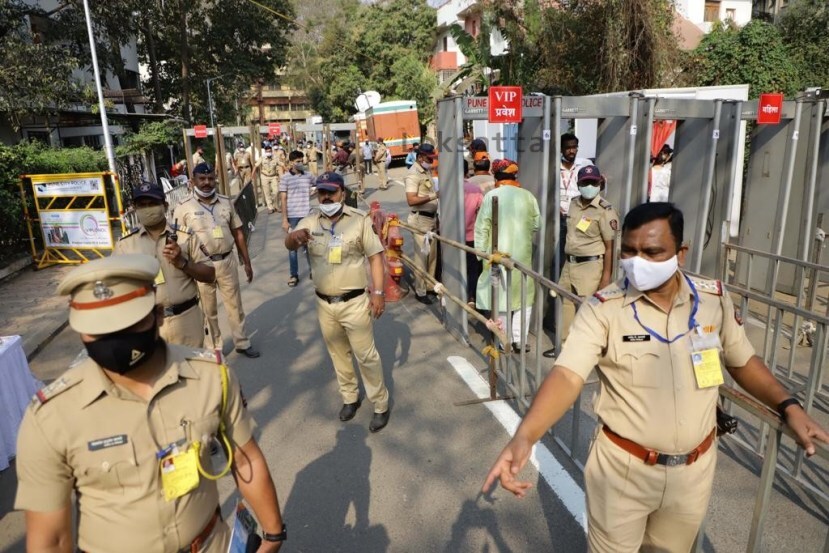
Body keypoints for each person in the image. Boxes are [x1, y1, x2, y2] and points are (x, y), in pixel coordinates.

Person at [484, 202, 829, 553]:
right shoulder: (604, 309)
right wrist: (526, 436)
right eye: (629, 251)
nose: (637, 262)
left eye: (652, 252)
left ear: (681, 253)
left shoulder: (712, 301)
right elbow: (567, 376)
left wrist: (789, 406)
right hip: (623, 471)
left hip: (694, 472)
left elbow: (742, 362)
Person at [15, 254, 286, 553]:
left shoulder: (211, 377)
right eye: (99, 329)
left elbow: (245, 457)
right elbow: (50, 540)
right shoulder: (51, 416)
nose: (114, 339)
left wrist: (273, 535)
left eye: (127, 323)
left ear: (157, 315)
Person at [284, 172, 391, 432]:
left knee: (366, 356)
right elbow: (288, 243)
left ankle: (380, 405)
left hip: (355, 302)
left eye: (331, 192)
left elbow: (376, 257)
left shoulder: (358, 220)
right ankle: (350, 398)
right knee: (338, 354)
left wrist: (378, 293)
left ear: (342, 193)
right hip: (324, 304)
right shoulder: (310, 220)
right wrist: (294, 239)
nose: (326, 197)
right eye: (322, 192)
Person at [114, 181, 215, 348]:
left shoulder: (185, 237)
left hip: (187, 320)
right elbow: (116, 289)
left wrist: (182, 263)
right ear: (135, 209)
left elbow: (210, 275)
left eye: (153, 203)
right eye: (142, 205)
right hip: (148, 325)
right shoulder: (125, 245)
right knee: (157, 373)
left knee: (190, 371)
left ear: (165, 205)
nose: (148, 209)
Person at [174, 163, 260, 358]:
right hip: (201, 265)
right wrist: (186, 269)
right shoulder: (183, 207)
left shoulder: (225, 202)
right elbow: (179, 241)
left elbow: (238, 232)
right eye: (202, 179)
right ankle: (215, 348)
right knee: (208, 310)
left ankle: (242, 342)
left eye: (210, 178)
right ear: (193, 180)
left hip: (227, 261)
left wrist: (246, 262)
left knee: (235, 305)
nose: (207, 183)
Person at [544, 164, 619, 358]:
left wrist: (606, 277)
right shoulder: (574, 203)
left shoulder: (605, 210)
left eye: (593, 182)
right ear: (578, 184)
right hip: (570, 264)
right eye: (585, 182)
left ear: (599, 183)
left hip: (591, 266)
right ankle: (563, 347)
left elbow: (610, 247)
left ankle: (589, 351)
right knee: (564, 305)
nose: (589, 186)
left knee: (589, 310)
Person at [474, 159, 540, 352]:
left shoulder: (491, 196)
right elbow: (537, 225)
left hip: (496, 256)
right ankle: (520, 340)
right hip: (522, 256)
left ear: (496, 176)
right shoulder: (528, 197)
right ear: (514, 176)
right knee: (524, 297)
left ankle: (504, 340)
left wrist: (482, 255)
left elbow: (481, 229)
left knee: (501, 297)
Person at [405, 143, 440, 304]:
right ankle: (420, 290)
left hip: (431, 220)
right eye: (428, 158)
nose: (431, 161)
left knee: (432, 256)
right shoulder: (413, 174)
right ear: (420, 157)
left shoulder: (425, 171)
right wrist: (434, 196)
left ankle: (430, 285)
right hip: (419, 221)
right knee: (422, 257)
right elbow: (411, 200)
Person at [280, 150, 315, 287]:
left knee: (309, 245)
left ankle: (313, 270)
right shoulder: (285, 178)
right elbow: (283, 199)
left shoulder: (308, 176)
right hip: (292, 216)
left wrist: (314, 191)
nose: (300, 163)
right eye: (297, 161)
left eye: (301, 160)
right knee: (292, 247)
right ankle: (294, 274)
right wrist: (284, 219)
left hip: (306, 215)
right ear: (291, 163)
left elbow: (318, 184)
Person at [557, 133, 592, 270]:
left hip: (580, 215)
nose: (571, 151)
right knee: (561, 252)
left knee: (580, 249)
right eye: (567, 148)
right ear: (561, 149)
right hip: (560, 216)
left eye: (574, 147)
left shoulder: (585, 164)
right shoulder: (554, 166)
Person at [462, 161, 483, 306]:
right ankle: (472, 297)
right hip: (471, 236)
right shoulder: (475, 189)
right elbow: (481, 212)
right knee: (473, 269)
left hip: (451, 236)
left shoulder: (447, 189)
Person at [252, 144, 281, 214]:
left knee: (276, 191)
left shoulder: (275, 158)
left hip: (274, 176)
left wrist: (286, 170)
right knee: (267, 192)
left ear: (271, 151)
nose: (269, 152)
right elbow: (256, 166)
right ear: (265, 152)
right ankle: (270, 207)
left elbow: (281, 164)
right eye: (267, 151)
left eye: (270, 151)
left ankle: (276, 206)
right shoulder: (262, 158)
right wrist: (252, 174)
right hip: (265, 176)